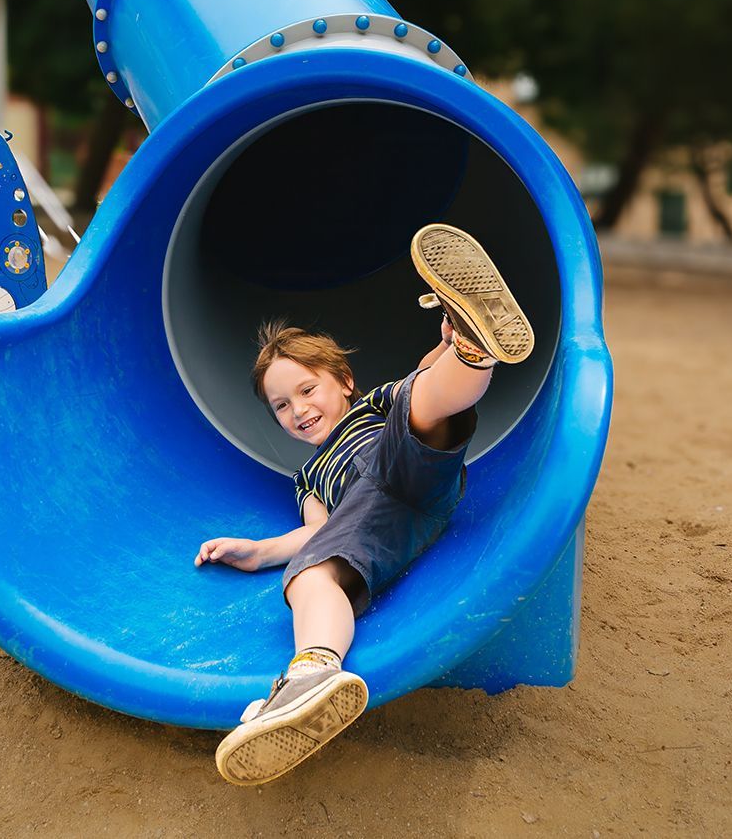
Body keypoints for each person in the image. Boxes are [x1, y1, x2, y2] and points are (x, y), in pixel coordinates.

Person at [193, 223, 535, 785]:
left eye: (308, 389)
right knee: (310, 574)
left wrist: (443, 345)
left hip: (404, 461)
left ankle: (472, 347)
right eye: (281, 405)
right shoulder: (308, 478)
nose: (297, 409)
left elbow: (419, 388)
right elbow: (317, 535)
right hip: (376, 522)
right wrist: (257, 552)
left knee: (419, 399)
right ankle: (313, 674)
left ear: (344, 382)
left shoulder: (371, 407)